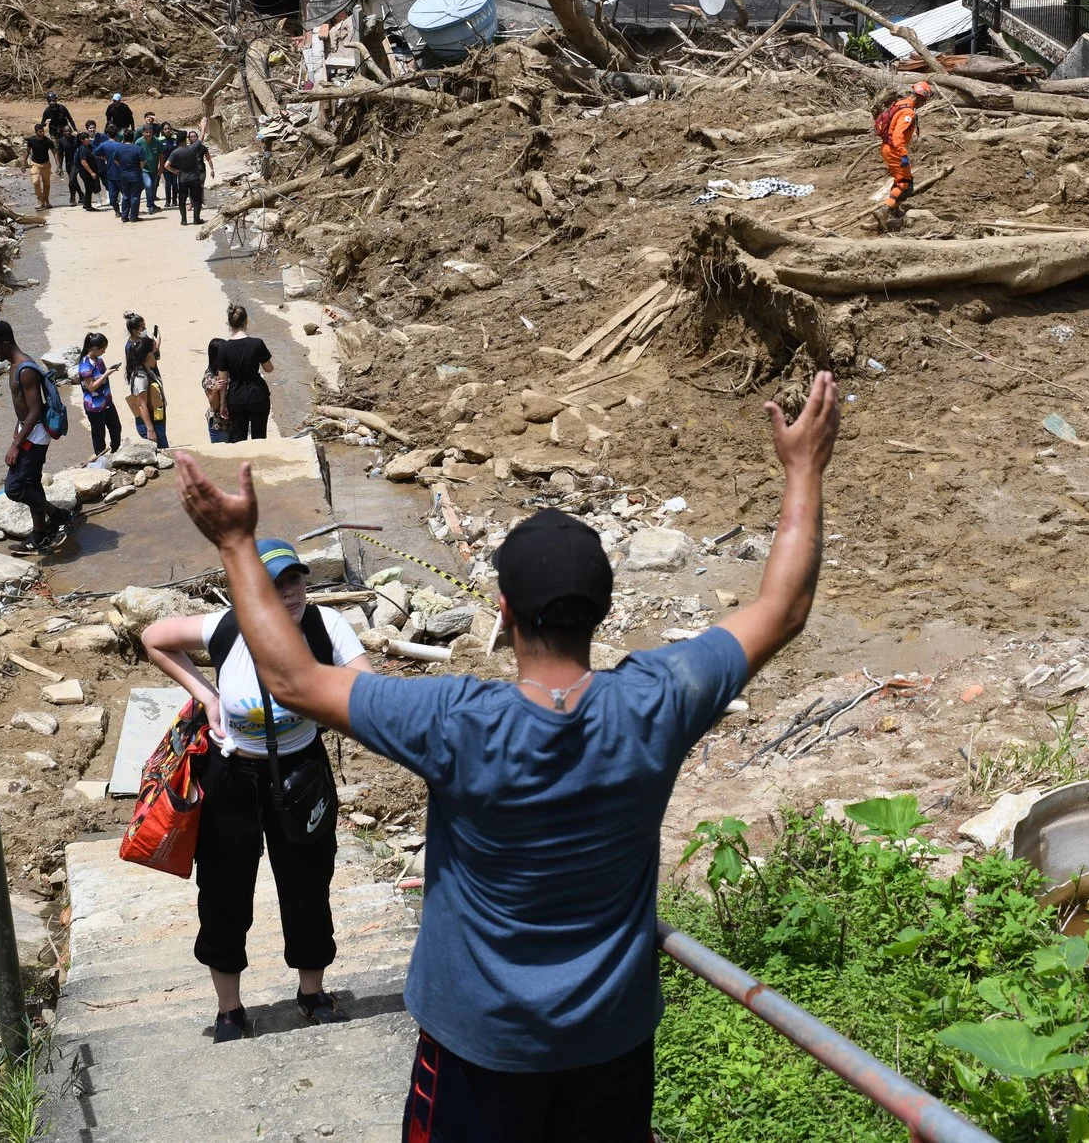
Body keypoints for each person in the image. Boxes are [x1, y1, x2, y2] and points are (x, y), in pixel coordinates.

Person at [169, 369, 840, 1137]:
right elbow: (782, 608)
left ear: (503, 611)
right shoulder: (657, 701)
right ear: (602, 610)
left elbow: (295, 679)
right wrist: (803, 468)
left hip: (479, 1050)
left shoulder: (458, 720)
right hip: (612, 1046)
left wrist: (236, 542)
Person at [137, 538, 372, 1042]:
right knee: (224, 891)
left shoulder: (326, 627)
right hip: (231, 776)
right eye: (272, 585)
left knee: (308, 884)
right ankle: (230, 1010)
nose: (288, 593)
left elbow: (368, 689)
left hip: (302, 772)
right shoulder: (226, 627)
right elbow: (154, 637)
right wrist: (206, 695)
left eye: (294, 580)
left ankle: (312, 993)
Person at [0, 319, 68, 556]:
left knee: (15, 488)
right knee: (31, 484)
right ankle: (39, 536)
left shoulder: (26, 369)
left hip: (35, 435)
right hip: (28, 430)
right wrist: (16, 429)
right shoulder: (14, 366)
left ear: (5, 344)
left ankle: (59, 515)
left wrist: (16, 444)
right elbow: (22, 408)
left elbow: (35, 410)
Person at [206, 305, 273, 441]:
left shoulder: (223, 348)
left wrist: (223, 404)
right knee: (260, 437)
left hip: (236, 397)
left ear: (230, 323)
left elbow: (223, 381)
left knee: (239, 439)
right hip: (258, 394)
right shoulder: (257, 343)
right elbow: (269, 369)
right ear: (246, 321)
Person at [874, 79, 932, 227]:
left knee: (900, 179)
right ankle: (885, 209)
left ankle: (894, 209)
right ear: (920, 98)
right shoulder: (908, 112)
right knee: (905, 183)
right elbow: (897, 136)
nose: (923, 103)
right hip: (895, 150)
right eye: (924, 100)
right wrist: (903, 155)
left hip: (888, 147)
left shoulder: (901, 103)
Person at [74, 331, 124, 458]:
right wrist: (106, 374)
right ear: (94, 348)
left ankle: (115, 453)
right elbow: (91, 387)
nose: (104, 352)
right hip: (95, 407)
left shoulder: (99, 360)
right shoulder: (85, 365)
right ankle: (100, 459)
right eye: (102, 349)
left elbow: (100, 378)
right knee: (99, 435)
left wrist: (107, 372)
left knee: (116, 428)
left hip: (107, 402)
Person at [122, 312, 165, 444]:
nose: (145, 330)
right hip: (149, 411)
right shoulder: (140, 377)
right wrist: (150, 429)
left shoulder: (145, 344)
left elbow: (154, 357)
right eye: (142, 328)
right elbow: (141, 404)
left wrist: (156, 346)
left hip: (151, 383)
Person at [167, 129, 212, 226]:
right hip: (194, 178)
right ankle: (196, 219)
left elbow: (166, 165)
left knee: (182, 200)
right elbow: (201, 138)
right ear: (186, 139)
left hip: (182, 179)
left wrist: (174, 171)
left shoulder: (175, 152)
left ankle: (184, 220)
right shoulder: (192, 148)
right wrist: (203, 127)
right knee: (197, 199)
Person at [25, 122, 55, 209]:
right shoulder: (31, 140)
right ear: (36, 132)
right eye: (40, 132)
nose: (42, 133)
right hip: (35, 163)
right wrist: (23, 164)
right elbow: (27, 151)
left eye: (43, 131)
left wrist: (58, 165)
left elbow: (54, 152)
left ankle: (46, 200)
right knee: (35, 181)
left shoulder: (48, 141)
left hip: (46, 164)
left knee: (47, 184)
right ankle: (40, 200)